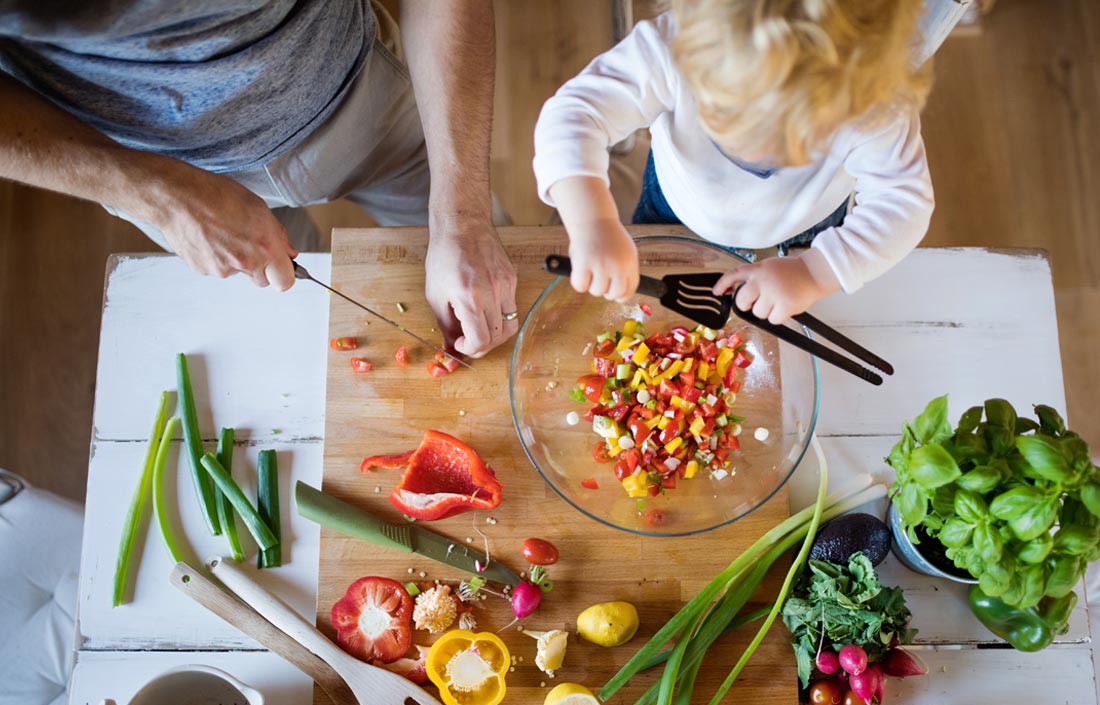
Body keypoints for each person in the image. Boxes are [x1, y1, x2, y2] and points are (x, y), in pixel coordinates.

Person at [0, 0, 517, 358]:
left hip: (360, 90)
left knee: (487, 279)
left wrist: (462, 218)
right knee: (297, 322)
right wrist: (159, 197)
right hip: (151, 167)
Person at [533, 0, 936, 325]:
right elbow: (575, 114)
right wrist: (593, 223)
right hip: (676, 207)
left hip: (806, 230)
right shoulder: (676, 46)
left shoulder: (876, 99)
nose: (757, 155)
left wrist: (815, 273)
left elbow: (902, 202)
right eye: (730, 116)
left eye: (795, 138)